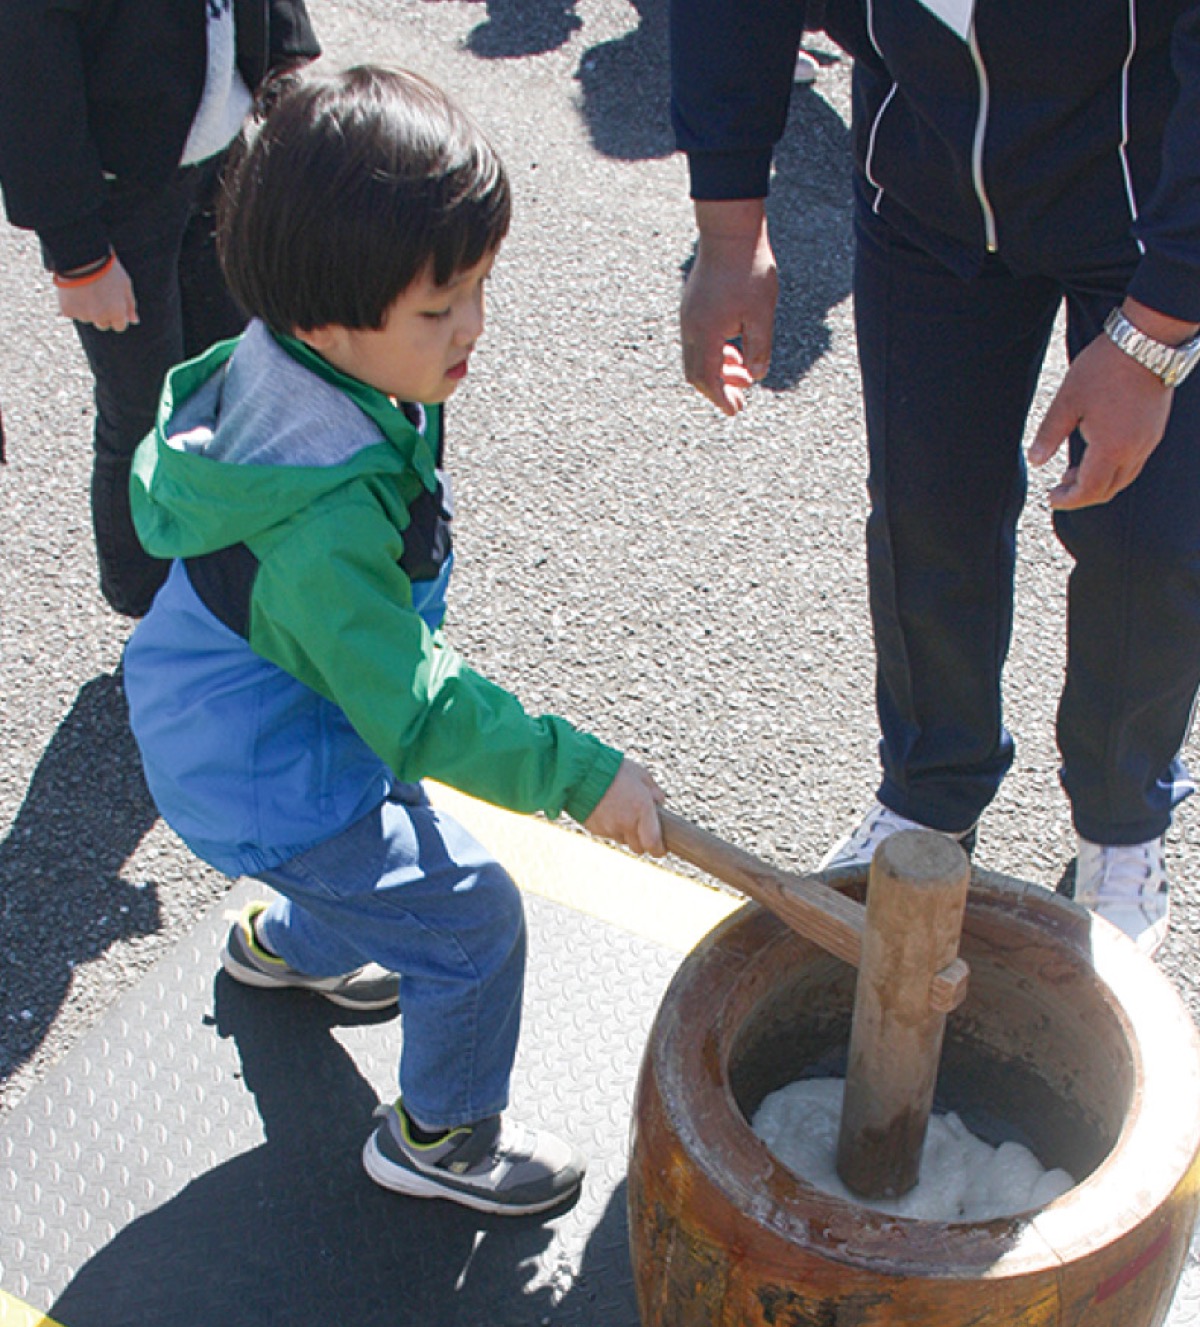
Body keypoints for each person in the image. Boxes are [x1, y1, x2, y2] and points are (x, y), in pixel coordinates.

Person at [121, 65, 667, 1216]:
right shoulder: (316, 527)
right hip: (269, 772)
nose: (474, 326)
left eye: (478, 285)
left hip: (258, 723)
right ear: (327, 314)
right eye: (441, 307)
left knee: (375, 832)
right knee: (470, 920)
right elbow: (414, 711)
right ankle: (442, 1137)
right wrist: (581, 774)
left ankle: (289, 946)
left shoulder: (311, 365)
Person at [670, 1, 1200, 955]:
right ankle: (929, 793)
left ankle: (1121, 827)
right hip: (922, 172)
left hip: (1149, 179)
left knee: (1151, 542)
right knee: (927, 510)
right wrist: (728, 224)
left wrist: (1157, 336)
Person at [0, 0, 320, 618]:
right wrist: (78, 252)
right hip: (120, 188)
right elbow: (27, 71)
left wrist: (280, 60)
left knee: (236, 375)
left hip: (220, 149)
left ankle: (222, 579)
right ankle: (147, 602)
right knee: (144, 405)